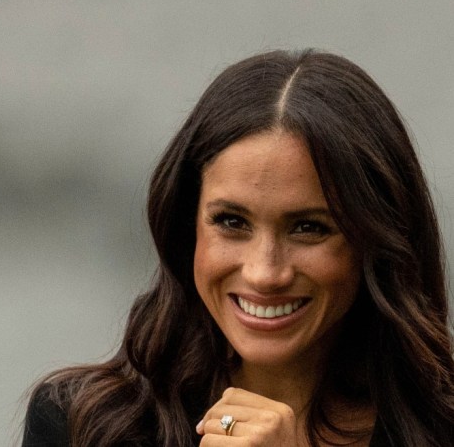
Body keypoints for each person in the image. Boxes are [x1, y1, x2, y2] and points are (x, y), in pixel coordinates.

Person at [23, 49, 454, 446]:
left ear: (376, 240)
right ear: (187, 226)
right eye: (232, 222)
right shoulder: (79, 424)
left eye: (308, 228)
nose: (264, 273)